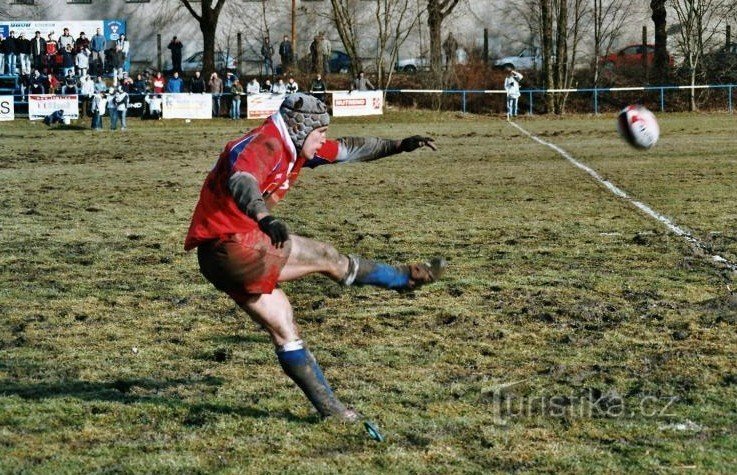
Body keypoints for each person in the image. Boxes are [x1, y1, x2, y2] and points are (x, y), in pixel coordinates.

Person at [184, 93, 443, 422]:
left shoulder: (294, 146)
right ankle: (402, 278)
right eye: (320, 134)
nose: (324, 141)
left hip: (217, 259)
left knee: (284, 327)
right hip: (235, 245)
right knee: (327, 257)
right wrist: (264, 218)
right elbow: (243, 181)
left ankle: (333, 412)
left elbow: (351, 148)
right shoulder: (266, 144)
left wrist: (399, 145)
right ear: (299, 128)